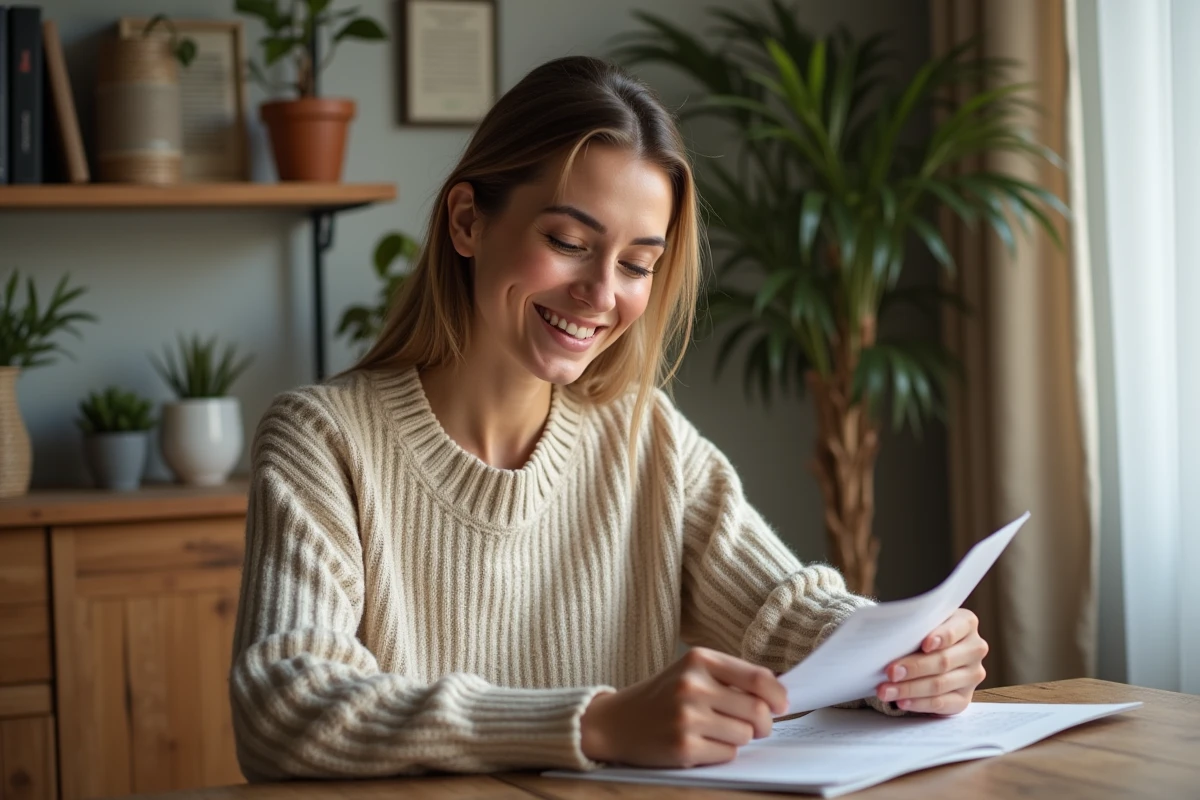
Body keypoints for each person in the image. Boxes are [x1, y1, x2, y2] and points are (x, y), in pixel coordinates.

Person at [229, 55, 988, 782]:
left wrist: (903, 654)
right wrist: (596, 723)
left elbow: (783, 611)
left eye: (636, 264)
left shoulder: (644, 435)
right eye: (568, 242)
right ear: (467, 222)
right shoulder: (323, 439)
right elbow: (283, 704)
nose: (600, 294)